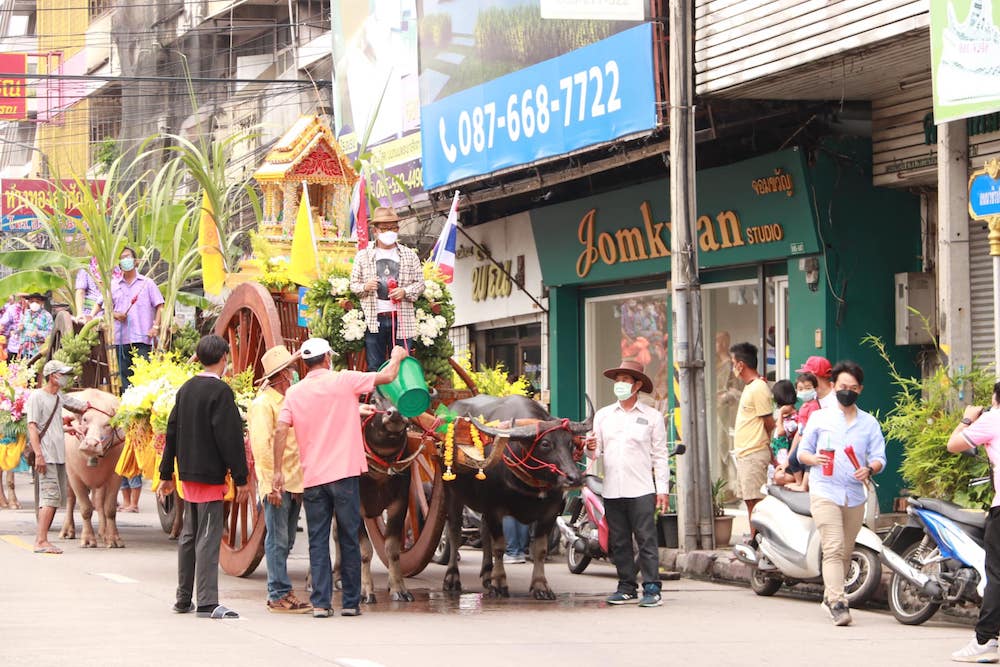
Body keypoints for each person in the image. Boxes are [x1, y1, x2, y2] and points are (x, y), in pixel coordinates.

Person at [271, 338, 407, 618]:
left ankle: (321, 604)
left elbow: (281, 430)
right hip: (344, 475)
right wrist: (396, 355)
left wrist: (277, 470)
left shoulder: (295, 393)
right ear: (328, 359)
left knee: (318, 540)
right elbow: (389, 376)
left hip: (313, 478)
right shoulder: (345, 381)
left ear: (306, 363)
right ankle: (350, 603)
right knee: (348, 536)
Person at [157, 334, 249, 619]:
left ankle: (183, 598)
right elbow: (230, 438)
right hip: (209, 474)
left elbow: (170, 432)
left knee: (189, 535)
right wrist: (241, 476)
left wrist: (166, 473)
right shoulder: (220, 392)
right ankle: (208, 601)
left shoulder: (186, 389)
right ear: (223, 358)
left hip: (187, 474)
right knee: (207, 537)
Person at [797, 360, 885, 627]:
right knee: (833, 546)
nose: (848, 391)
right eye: (843, 386)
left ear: (860, 390)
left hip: (855, 494)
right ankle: (838, 602)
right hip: (824, 490)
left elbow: (880, 457)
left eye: (854, 387)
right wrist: (813, 460)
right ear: (833, 386)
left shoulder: (869, 423)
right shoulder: (819, 418)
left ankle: (829, 595)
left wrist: (869, 468)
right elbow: (802, 452)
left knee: (845, 550)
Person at [587, 359, 669, 608]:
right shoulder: (603, 416)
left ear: (637, 385)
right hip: (612, 489)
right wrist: (590, 448)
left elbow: (660, 455)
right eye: (618, 380)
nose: (620, 385)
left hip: (642, 488)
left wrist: (662, 489)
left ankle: (652, 587)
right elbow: (596, 452)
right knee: (619, 541)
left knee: (646, 539)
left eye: (625, 380)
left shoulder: (652, 417)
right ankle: (626, 586)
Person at [248, 345, 311, 614]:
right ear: (283, 375)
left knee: (287, 541)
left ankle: (280, 589)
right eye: (291, 371)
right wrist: (272, 484)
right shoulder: (263, 404)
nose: (294, 374)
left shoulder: (289, 401)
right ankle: (277, 593)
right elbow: (262, 448)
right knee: (277, 539)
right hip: (277, 483)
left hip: (294, 481)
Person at [947, 380, 1000, 662]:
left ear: (995, 398)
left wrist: (968, 417)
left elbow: (953, 444)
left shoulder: (993, 419)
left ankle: (985, 641)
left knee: (997, 576)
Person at [349, 207, 425, 371]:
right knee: (375, 365)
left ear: (398, 230)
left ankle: (400, 395)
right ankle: (377, 396)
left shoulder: (409, 255)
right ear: (375, 231)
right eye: (384, 229)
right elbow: (353, 285)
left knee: (402, 365)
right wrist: (365, 286)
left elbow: (420, 284)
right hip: (374, 319)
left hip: (401, 318)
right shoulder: (363, 256)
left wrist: (404, 291)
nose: (389, 232)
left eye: (393, 228)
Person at [26, 360, 90, 554]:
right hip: (46, 455)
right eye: (62, 374)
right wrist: (39, 455)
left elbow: (78, 407)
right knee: (49, 497)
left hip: (57, 455)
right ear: (53, 376)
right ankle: (41, 540)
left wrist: (68, 428)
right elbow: (32, 427)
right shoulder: (37, 396)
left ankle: (42, 539)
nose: (65, 378)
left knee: (53, 498)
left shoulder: (58, 398)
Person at [730, 342, 775, 538]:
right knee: (750, 500)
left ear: (740, 365)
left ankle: (760, 541)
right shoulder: (751, 387)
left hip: (754, 453)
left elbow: (769, 422)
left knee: (756, 501)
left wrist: (765, 445)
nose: (732, 367)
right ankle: (755, 539)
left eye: (733, 362)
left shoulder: (758, 388)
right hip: (745, 453)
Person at [111, 247, 164, 389]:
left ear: (135, 261)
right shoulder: (113, 285)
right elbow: (106, 308)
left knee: (144, 378)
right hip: (121, 340)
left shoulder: (147, 283)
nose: (125, 260)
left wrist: (156, 327)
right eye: (122, 258)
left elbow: (160, 306)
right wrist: (116, 315)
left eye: (128, 256)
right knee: (124, 378)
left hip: (142, 339)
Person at [774, 372, 820, 491]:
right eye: (800, 389)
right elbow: (799, 431)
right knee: (794, 460)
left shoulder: (813, 407)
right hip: (800, 441)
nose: (804, 391)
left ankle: (802, 484)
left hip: (808, 440)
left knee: (804, 462)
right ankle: (800, 483)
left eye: (808, 388)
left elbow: (781, 432)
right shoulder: (804, 407)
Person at [714, 331, 743, 497]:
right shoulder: (716, 364)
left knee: (728, 447)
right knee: (719, 447)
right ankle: (723, 487)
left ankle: (731, 486)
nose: (717, 346)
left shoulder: (730, 366)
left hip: (728, 413)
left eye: (718, 342)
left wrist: (725, 396)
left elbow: (735, 389)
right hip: (717, 412)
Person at [768, 379, 797, 480]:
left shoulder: (795, 418)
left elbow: (781, 433)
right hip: (777, 461)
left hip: (786, 464)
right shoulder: (784, 417)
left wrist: (780, 413)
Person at [17, 293, 53, 360]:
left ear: (42, 302)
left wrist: (38, 333)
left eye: (37, 301)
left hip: (38, 351)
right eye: (32, 301)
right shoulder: (25, 313)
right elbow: (18, 328)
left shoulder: (47, 316)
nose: (34, 303)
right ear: (29, 302)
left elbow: (50, 333)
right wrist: (19, 328)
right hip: (24, 350)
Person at [0, 293, 25, 360]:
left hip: (30, 349)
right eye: (22, 297)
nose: (24, 299)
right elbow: (2, 323)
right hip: (14, 347)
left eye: (26, 297)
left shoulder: (36, 312)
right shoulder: (12, 308)